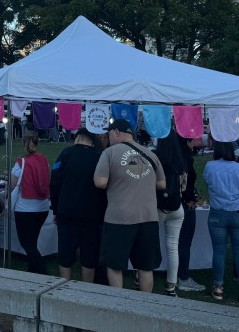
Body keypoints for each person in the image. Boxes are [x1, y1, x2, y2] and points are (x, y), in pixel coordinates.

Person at [94, 118, 164, 293]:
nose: (108, 138)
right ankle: (145, 303)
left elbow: (100, 182)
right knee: (145, 266)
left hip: (119, 218)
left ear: (117, 132)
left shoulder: (109, 153)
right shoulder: (151, 154)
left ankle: (118, 302)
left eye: (109, 134)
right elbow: (162, 184)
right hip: (148, 217)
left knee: (115, 264)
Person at [50, 126, 106, 283]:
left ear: (78, 138)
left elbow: (54, 181)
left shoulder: (65, 154)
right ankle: (86, 288)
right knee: (89, 256)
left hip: (66, 212)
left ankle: (63, 284)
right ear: (92, 141)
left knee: (65, 253)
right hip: (92, 215)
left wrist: (55, 208)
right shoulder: (99, 157)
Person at [203, 140, 239, 304]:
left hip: (217, 213)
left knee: (219, 251)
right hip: (238, 213)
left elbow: (207, 183)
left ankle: (218, 287)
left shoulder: (209, 166)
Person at [9, 134, 50, 275]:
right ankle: (33, 270)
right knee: (32, 241)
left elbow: (13, 184)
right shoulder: (44, 160)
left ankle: (41, 271)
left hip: (25, 208)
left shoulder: (21, 162)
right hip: (42, 207)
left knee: (26, 243)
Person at [153, 132, 186, 296]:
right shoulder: (180, 162)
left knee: (149, 243)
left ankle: (141, 277)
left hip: (157, 206)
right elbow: (183, 186)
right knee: (173, 247)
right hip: (176, 207)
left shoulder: (155, 159)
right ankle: (171, 286)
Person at [176, 135, 205, 292]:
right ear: (187, 142)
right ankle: (183, 277)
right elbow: (185, 182)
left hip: (175, 203)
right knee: (184, 242)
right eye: (192, 141)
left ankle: (176, 275)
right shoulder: (186, 159)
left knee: (175, 242)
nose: (194, 143)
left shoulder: (173, 156)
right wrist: (189, 199)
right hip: (184, 205)